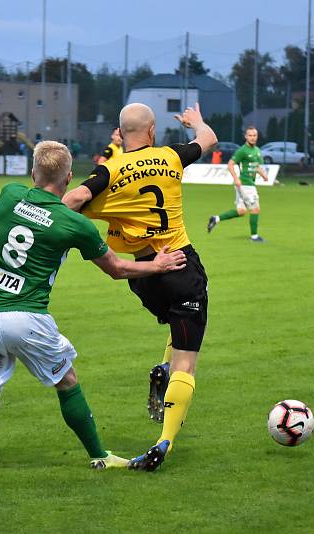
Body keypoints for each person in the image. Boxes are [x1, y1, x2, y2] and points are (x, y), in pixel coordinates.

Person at [0, 141, 188, 486]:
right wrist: (157, 265)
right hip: (27, 318)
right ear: (69, 177)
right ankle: (100, 455)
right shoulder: (75, 225)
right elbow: (116, 269)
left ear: (33, 171)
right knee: (67, 382)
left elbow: (35, 206)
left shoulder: (9, 195)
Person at [63, 102, 216, 472]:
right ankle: (164, 441)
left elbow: (72, 200)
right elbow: (207, 140)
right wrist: (194, 121)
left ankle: (163, 370)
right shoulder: (171, 156)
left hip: (143, 275)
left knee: (174, 327)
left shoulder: (109, 171)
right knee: (187, 361)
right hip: (179, 263)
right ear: (151, 131)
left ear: (122, 131)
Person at [206, 126, 270, 242]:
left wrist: (264, 175)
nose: (252, 138)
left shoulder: (257, 151)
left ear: (257, 136)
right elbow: (230, 164)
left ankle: (216, 219)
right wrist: (236, 178)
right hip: (245, 184)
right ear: (246, 136)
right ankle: (254, 237)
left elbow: (256, 166)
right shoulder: (242, 150)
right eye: (250, 135)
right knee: (255, 209)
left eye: (254, 135)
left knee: (241, 211)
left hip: (249, 184)